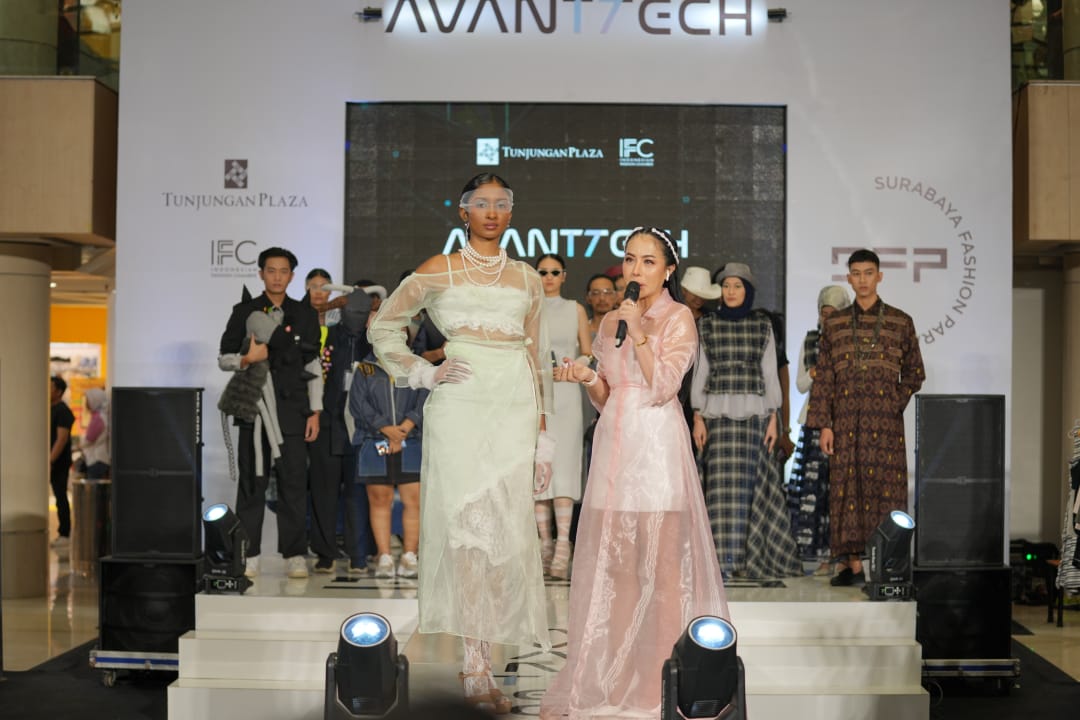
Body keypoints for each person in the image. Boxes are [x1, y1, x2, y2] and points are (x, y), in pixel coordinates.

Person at [368, 173, 551, 714]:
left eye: (502, 204)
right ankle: (475, 667)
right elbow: (383, 328)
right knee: (470, 534)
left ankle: (487, 659)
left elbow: (534, 357)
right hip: (461, 406)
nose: (492, 212)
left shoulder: (527, 278)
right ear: (463, 211)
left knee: (505, 535)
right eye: (481, 203)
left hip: (514, 406)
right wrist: (423, 373)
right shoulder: (438, 269)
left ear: (511, 212)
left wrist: (543, 435)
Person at [542, 227, 729, 719]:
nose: (636, 270)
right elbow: (607, 397)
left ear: (668, 270)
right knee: (618, 569)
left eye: (648, 261)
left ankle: (656, 682)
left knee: (662, 571)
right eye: (629, 259)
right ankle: (612, 674)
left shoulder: (678, 316)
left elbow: (663, 385)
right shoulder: (609, 322)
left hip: (657, 445)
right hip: (614, 443)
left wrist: (640, 331)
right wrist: (587, 377)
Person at [807, 249, 925, 587]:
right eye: (856, 273)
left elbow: (915, 373)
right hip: (844, 421)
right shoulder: (835, 324)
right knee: (846, 490)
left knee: (885, 490)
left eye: (868, 273)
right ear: (849, 278)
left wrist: (892, 402)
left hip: (885, 425)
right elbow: (825, 376)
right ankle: (853, 565)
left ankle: (886, 565)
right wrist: (825, 424)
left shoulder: (900, 321)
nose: (862, 280)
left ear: (879, 276)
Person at [691, 262, 801, 579]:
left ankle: (747, 557)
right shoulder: (707, 325)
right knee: (719, 491)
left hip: (755, 417)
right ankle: (718, 560)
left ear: (748, 290)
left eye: (737, 286)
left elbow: (770, 373)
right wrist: (698, 415)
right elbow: (701, 370)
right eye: (726, 286)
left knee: (752, 489)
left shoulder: (762, 325)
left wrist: (774, 418)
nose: (731, 291)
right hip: (716, 417)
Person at [218, 247, 322, 580]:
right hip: (254, 410)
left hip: (293, 412)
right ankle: (249, 554)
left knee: (294, 483)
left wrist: (315, 411)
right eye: (271, 270)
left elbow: (313, 364)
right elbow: (224, 357)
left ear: (292, 276)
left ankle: (295, 554)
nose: (277, 277)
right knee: (252, 484)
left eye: (283, 271)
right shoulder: (244, 312)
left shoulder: (304, 314)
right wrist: (247, 359)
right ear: (261, 273)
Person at [304, 269, 374, 575]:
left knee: (358, 492)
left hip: (363, 427)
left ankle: (359, 554)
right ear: (342, 309)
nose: (356, 315)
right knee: (323, 490)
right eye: (351, 309)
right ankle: (325, 552)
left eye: (362, 310)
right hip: (327, 422)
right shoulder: (327, 337)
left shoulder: (373, 343)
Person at [534, 253, 591, 578]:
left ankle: (563, 544)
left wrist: (573, 365)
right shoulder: (529, 308)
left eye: (555, 272)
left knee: (565, 467)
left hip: (567, 393)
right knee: (538, 466)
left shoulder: (575, 309)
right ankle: (544, 543)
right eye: (543, 272)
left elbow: (588, 351)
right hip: (536, 393)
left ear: (564, 276)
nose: (549, 277)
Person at [788, 285, 851, 572]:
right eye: (825, 313)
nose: (828, 318)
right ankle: (816, 555)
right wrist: (817, 373)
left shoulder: (852, 340)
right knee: (814, 491)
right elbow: (801, 384)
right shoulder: (811, 339)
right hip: (814, 421)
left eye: (834, 313)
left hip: (844, 422)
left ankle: (837, 555)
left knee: (839, 490)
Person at [349, 349, 427, 578]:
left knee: (414, 500)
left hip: (410, 440)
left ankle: (409, 556)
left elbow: (424, 398)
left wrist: (406, 427)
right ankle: (384, 556)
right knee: (379, 500)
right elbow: (358, 404)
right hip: (375, 441)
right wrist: (385, 428)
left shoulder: (416, 365)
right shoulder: (366, 368)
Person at [49, 376, 75, 549]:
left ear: (58, 391)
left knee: (60, 496)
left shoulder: (63, 411)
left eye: (50, 387)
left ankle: (65, 532)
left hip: (59, 462)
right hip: (52, 461)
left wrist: (51, 460)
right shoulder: (50, 409)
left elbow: (62, 439)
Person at [81, 387, 110, 480]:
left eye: (88, 400)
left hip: (96, 460)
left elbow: (89, 439)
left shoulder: (98, 418)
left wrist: (80, 444)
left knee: (94, 486)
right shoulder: (103, 415)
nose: (86, 403)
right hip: (100, 459)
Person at [584, 273, 617, 338]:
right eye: (596, 293)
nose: (602, 298)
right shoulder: (581, 331)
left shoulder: (626, 330)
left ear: (616, 297)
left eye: (607, 292)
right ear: (588, 298)